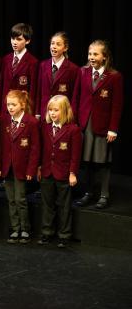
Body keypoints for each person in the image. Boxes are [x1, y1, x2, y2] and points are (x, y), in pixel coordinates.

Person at [76, 40, 123, 209]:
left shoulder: (114, 76)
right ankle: (88, 192)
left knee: (103, 161)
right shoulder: (83, 72)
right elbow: (77, 99)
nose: (92, 57)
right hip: (85, 123)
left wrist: (113, 129)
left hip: (103, 125)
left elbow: (117, 105)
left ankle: (104, 194)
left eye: (96, 54)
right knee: (87, 160)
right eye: (90, 54)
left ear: (104, 57)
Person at [0, 90, 40, 244]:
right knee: (11, 199)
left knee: (20, 199)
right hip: (8, 168)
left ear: (22, 105)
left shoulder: (31, 122)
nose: (10, 107)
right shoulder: (6, 121)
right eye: (8, 105)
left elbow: (35, 149)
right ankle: (15, 228)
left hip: (22, 168)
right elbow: (1, 146)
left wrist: (31, 170)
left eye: (13, 104)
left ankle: (25, 229)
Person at [37, 95, 82, 248]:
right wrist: (39, 167)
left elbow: (75, 155)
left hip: (63, 173)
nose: (52, 113)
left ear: (65, 111)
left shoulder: (73, 130)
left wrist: (72, 173)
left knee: (64, 205)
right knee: (47, 204)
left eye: (56, 110)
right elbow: (41, 149)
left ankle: (64, 234)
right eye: (50, 110)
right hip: (47, 172)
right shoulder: (45, 127)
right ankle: (47, 232)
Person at [36, 31, 80, 121]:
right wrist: (37, 113)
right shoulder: (43, 65)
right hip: (45, 113)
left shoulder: (73, 69)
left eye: (58, 44)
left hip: (63, 115)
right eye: (52, 43)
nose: (54, 46)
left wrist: (71, 116)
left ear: (65, 48)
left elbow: (74, 96)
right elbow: (38, 91)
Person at [0, 23, 39, 115]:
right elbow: (1, 85)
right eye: (12, 38)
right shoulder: (6, 59)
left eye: (19, 39)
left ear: (27, 41)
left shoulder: (32, 62)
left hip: (22, 108)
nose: (14, 42)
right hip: (6, 106)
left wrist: (31, 111)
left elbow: (33, 89)